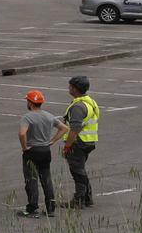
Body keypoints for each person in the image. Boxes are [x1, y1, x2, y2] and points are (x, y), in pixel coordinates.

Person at [17, 89, 62, 217]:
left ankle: (32, 208)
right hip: (45, 151)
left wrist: (24, 147)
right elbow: (64, 128)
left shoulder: (27, 117)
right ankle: (51, 208)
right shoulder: (49, 116)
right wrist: (52, 141)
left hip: (32, 151)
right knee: (46, 178)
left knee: (31, 180)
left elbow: (22, 133)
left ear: (30, 103)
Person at [61, 74, 100, 208]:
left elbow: (75, 128)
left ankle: (78, 200)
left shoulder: (78, 106)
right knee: (81, 170)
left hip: (79, 142)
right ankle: (87, 198)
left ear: (75, 89)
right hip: (89, 141)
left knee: (77, 172)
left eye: (70, 86)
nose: (68, 88)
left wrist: (67, 145)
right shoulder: (90, 102)